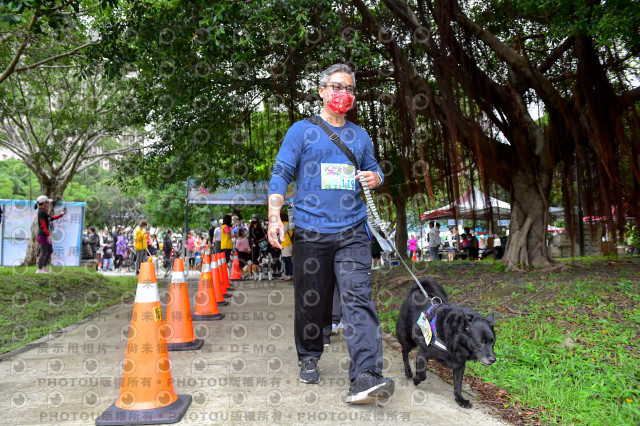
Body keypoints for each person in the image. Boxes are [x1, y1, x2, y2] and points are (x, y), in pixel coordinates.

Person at [267, 63, 393, 404]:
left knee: (358, 299)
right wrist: (274, 215)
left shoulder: (360, 136)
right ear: (322, 90)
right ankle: (309, 355)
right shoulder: (301, 131)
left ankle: (366, 374)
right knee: (312, 301)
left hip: (353, 231)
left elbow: (375, 169)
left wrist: (375, 179)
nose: (343, 94)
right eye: (337, 87)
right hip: (311, 232)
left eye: (349, 89)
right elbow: (281, 173)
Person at [35, 195, 67, 273]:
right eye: (47, 202)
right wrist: (48, 234)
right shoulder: (41, 212)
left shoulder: (43, 211)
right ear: (44, 202)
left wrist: (61, 214)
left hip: (45, 234)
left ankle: (43, 267)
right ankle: (40, 269)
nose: (48, 204)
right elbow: (43, 224)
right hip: (43, 235)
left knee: (49, 250)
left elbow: (51, 218)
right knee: (44, 251)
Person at [281, 211, 294, 281]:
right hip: (283, 244)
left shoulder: (287, 224)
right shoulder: (282, 224)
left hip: (288, 244)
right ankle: (286, 274)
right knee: (285, 260)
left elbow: (283, 232)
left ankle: (290, 274)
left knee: (288, 260)